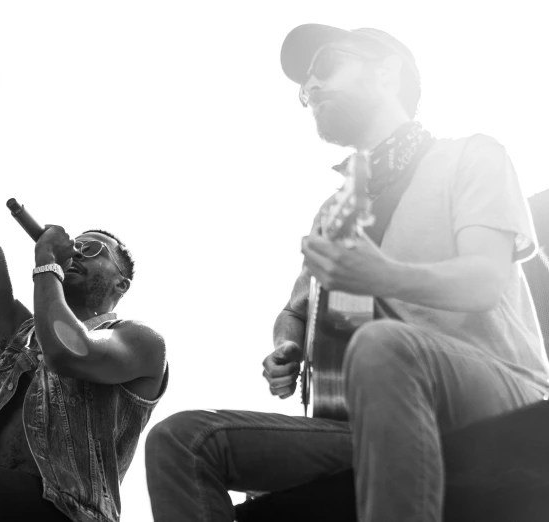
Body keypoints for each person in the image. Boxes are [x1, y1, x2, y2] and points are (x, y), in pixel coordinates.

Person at [144, 24, 549, 522]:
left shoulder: (472, 155)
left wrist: (382, 276)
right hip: (366, 423)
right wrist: (286, 344)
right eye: (302, 86)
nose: (310, 87)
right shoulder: (332, 212)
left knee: (382, 346)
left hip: (497, 394)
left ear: (385, 70)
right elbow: (295, 311)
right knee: (181, 440)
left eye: (327, 66)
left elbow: (485, 281)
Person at [0, 50, 168, 522]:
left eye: (95, 249)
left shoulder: (140, 342)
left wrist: (46, 265)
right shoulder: (21, 333)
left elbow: (70, 353)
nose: (77, 250)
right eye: (75, 244)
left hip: (68, 512)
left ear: (121, 282)